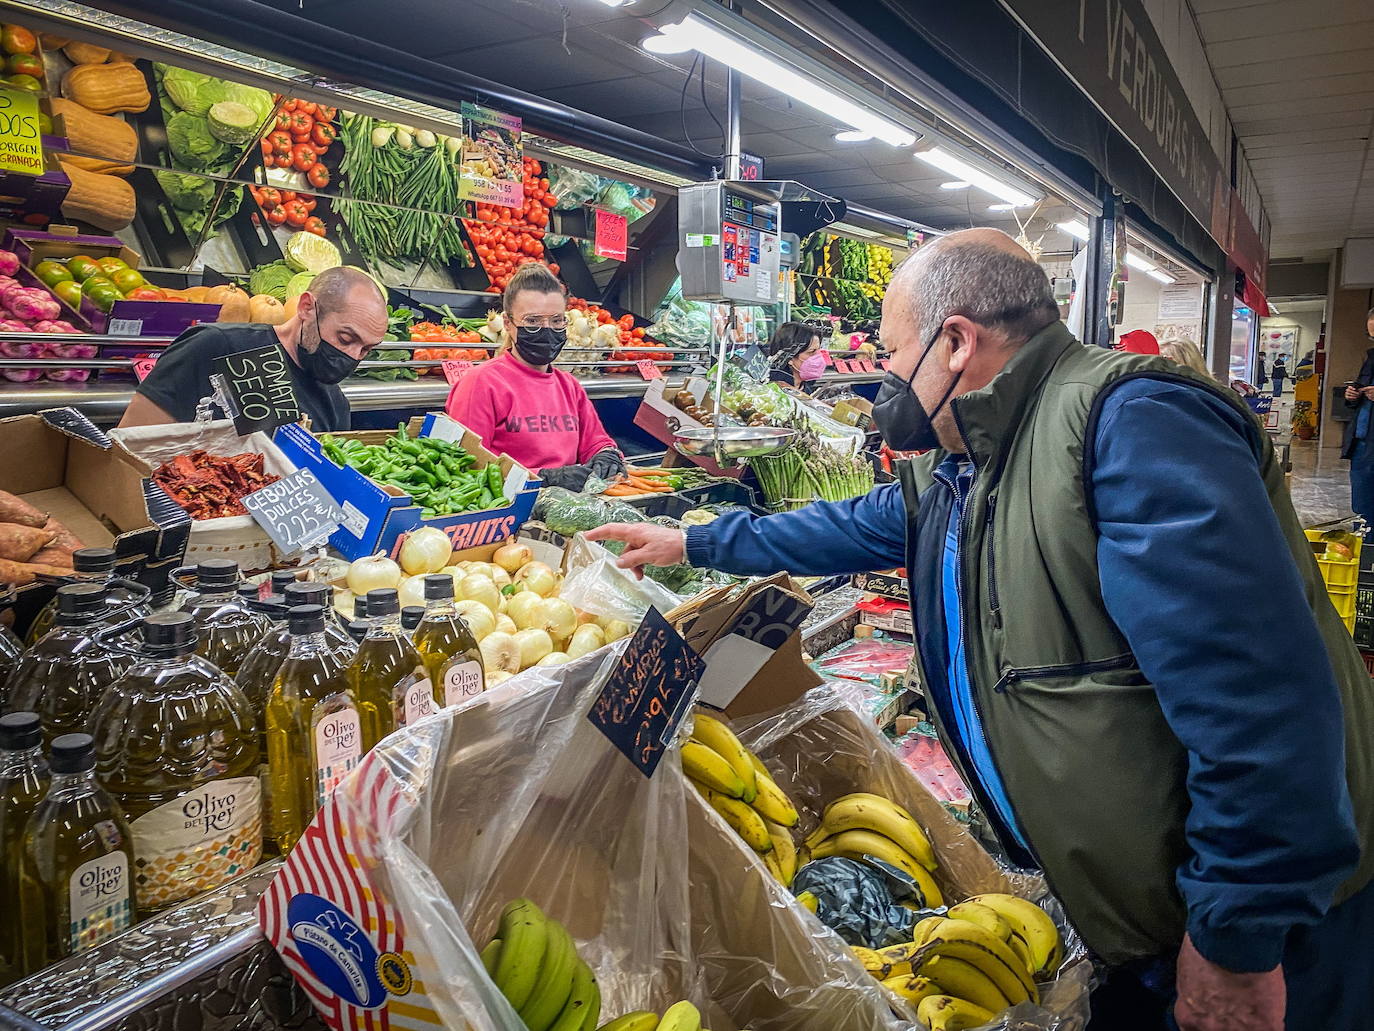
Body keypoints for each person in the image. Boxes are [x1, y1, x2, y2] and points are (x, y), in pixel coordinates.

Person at [590, 229, 1374, 1031]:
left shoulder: (1134, 423)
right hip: (1139, 928)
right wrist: (694, 541)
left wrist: (1237, 940)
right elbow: (858, 523)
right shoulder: (966, 461)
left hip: (1263, 945)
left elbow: (1260, 704)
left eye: (894, 356)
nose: (883, 381)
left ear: (957, 342)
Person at [118, 266, 387, 431]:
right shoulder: (216, 345)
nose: (352, 356)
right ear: (307, 308)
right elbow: (130, 442)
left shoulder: (336, 407)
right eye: (345, 338)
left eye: (366, 350)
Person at [445, 263, 624, 491]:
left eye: (556, 320)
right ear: (508, 324)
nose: (547, 329)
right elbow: (466, 465)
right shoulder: (481, 383)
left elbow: (596, 440)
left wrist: (607, 454)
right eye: (532, 321)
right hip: (507, 513)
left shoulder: (569, 386)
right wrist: (542, 477)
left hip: (562, 510)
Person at [1340, 308, 1374, 522]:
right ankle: (1366, 544)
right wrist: (1352, 395)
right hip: (1361, 442)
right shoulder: (1371, 358)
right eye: (1371, 335)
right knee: (1362, 502)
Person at [765, 321, 826, 393]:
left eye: (819, 351)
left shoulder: (805, 387)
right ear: (789, 357)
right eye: (811, 352)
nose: (818, 358)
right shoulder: (771, 390)